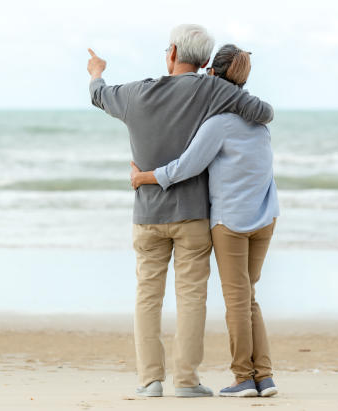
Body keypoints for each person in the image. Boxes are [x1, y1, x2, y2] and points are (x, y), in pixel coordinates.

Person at [87, 24, 273, 398]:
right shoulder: (212, 88)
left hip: (147, 216)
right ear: (205, 61)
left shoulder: (135, 93)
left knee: (147, 296)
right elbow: (262, 111)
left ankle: (150, 381)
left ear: (171, 52)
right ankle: (187, 380)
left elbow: (99, 96)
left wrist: (96, 73)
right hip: (192, 215)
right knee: (192, 297)